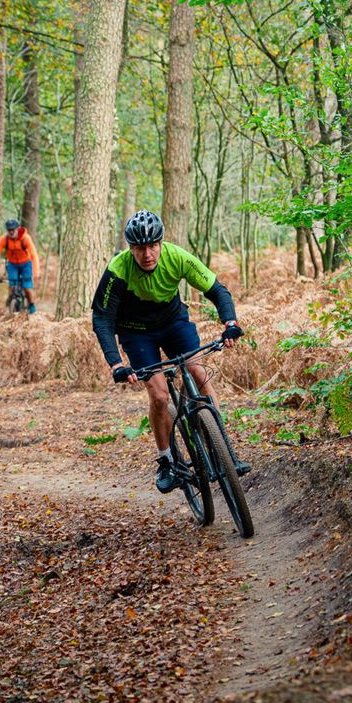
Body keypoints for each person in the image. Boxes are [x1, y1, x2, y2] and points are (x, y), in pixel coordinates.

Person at [91, 210, 249, 493]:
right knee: (160, 395)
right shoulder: (118, 270)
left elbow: (218, 291)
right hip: (135, 330)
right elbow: (102, 319)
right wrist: (116, 364)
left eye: (153, 245)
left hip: (173, 321)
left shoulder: (178, 257)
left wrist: (230, 323)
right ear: (131, 249)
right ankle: (166, 460)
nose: (147, 254)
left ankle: (223, 448)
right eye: (140, 248)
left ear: (162, 243)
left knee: (197, 370)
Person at [0, 218, 40, 314]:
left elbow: (34, 254)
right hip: (12, 264)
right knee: (12, 286)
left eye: (13, 230)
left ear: (18, 229)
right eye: (9, 230)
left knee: (27, 286)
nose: (11, 232)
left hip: (26, 264)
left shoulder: (25, 238)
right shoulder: (4, 239)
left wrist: (36, 271)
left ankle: (32, 305)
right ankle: (12, 304)